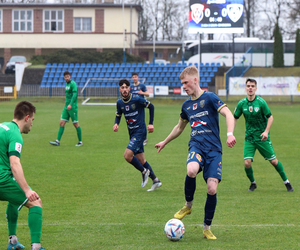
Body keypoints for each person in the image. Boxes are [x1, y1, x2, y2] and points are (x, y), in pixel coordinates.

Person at [155, 66, 236, 239]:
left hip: (214, 150)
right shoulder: (186, 105)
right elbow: (179, 127)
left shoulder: (210, 98)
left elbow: (228, 114)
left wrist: (230, 134)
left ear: (195, 80)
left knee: (212, 189)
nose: (183, 86)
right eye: (182, 83)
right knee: (191, 170)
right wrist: (165, 141)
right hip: (197, 146)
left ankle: (206, 228)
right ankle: (188, 205)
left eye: (185, 83)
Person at [233, 78, 293, 192]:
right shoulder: (241, 103)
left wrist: (266, 131)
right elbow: (234, 118)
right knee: (247, 163)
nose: (250, 88)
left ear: (256, 88)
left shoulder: (261, 102)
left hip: (262, 137)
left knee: (274, 161)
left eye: (252, 86)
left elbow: (270, 117)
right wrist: (230, 133)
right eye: (248, 86)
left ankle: (287, 182)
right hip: (249, 138)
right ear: (245, 88)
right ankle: (253, 183)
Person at [0, 101, 45, 250]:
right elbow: (14, 164)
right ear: (27, 118)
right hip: (2, 180)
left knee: (13, 200)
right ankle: (36, 247)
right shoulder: (15, 135)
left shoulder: (2, 127)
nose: (32, 123)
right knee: (36, 202)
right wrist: (27, 190)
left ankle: (13, 242)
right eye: (32, 120)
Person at [113, 79, 161, 191]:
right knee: (141, 160)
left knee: (127, 155)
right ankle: (155, 180)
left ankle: (144, 172)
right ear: (120, 89)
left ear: (129, 88)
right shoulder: (119, 102)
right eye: (122, 88)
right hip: (132, 133)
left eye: (126, 87)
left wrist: (150, 123)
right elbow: (118, 114)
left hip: (140, 132)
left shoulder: (137, 99)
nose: (124, 90)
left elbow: (151, 106)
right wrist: (116, 124)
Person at [49, 70, 83, 147]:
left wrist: (70, 104)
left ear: (70, 76)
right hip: (66, 107)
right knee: (61, 123)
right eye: (65, 77)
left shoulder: (73, 84)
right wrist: (67, 104)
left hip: (72, 107)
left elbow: (75, 95)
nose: (66, 78)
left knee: (75, 124)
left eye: (68, 76)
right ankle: (57, 141)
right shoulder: (66, 84)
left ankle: (80, 142)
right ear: (64, 78)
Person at [130, 72, 149, 146]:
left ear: (138, 77)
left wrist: (142, 93)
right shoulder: (131, 87)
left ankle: (144, 138)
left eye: (135, 77)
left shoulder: (142, 85)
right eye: (133, 77)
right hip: (133, 107)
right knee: (133, 122)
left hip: (140, 107)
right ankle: (135, 137)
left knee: (141, 123)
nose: (134, 78)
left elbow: (148, 94)